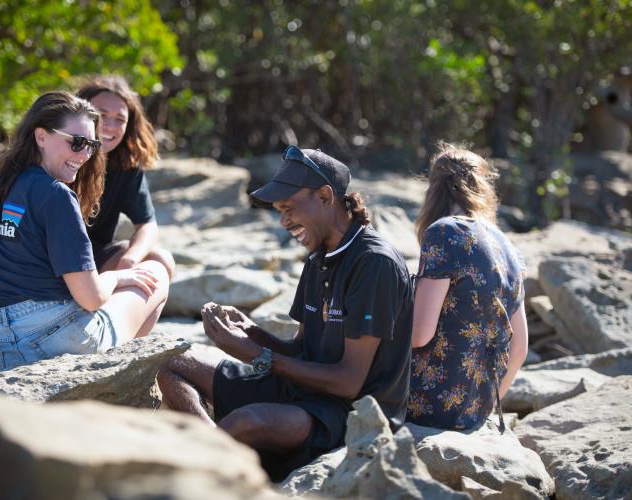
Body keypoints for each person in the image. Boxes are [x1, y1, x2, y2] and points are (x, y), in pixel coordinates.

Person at [157, 146, 414, 480]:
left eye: (289, 208)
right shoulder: (320, 256)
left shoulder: (374, 264)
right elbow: (300, 351)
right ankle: (215, 452)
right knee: (170, 363)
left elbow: (349, 382)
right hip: (302, 390)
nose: (283, 221)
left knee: (246, 422)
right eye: (278, 211)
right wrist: (250, 332)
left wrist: (259, 356)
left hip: (348, 412)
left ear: (325, 197)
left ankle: (200, 469)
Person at [0, 91, 169, 374]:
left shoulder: (0, 187)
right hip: (50, 343)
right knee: (156, 274)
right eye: (77, 142)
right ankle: (126, 377)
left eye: (91, 144)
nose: (86, 155)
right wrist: (117, 276)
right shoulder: (56, 195)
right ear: (41, 136)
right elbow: (91, 299)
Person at [407, 142, 528, 432]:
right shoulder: (507, 245)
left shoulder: (444, 232)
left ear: (435, 188)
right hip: (475, 410)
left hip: (427, 405)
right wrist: (485, 406)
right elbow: (520, 347)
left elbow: (419, 335)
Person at [76, 75, 174, 277]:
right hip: (42, 261)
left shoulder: (124, 166)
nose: (110, 126)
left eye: (120, 119)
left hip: (93, 257)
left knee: (159, 260)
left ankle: (105, 310)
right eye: (101, 115)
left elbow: (148, 225)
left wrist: (129, 261)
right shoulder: (53, 155)